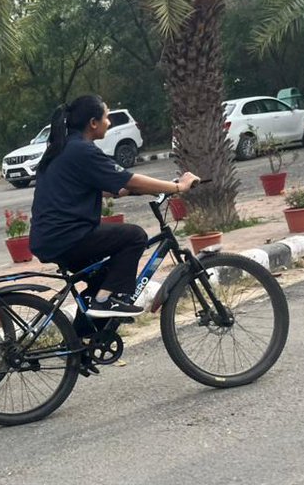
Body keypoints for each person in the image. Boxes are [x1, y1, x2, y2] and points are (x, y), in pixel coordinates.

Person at [29, 95, 199, 318]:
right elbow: (128, 179)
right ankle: (107, 300)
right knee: (134, 236)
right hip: (67, 237)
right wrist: (178, 187)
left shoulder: (63, 148)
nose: (109, 122)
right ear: (93, 123)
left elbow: (113, 186)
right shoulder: (83, 150)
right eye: (107, 117)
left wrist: (145, 188)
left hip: (50, 237)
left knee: (104, 279)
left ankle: (82, 345)